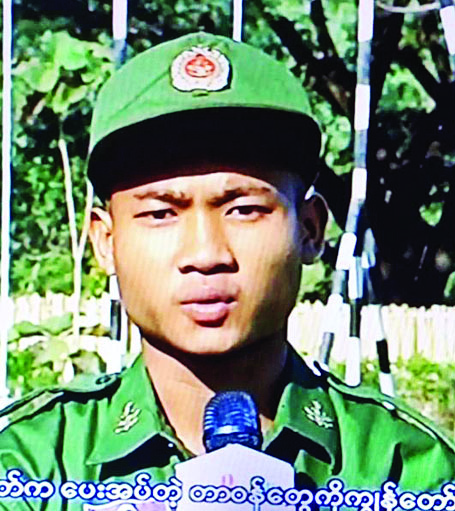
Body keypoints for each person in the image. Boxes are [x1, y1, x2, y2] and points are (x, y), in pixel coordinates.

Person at [0, 31, 454, 511]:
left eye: (244, 210)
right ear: (106, 243)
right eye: (161, 213)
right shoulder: (31, 465)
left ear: (310, 230)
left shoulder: (400, 469)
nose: (206, 253)